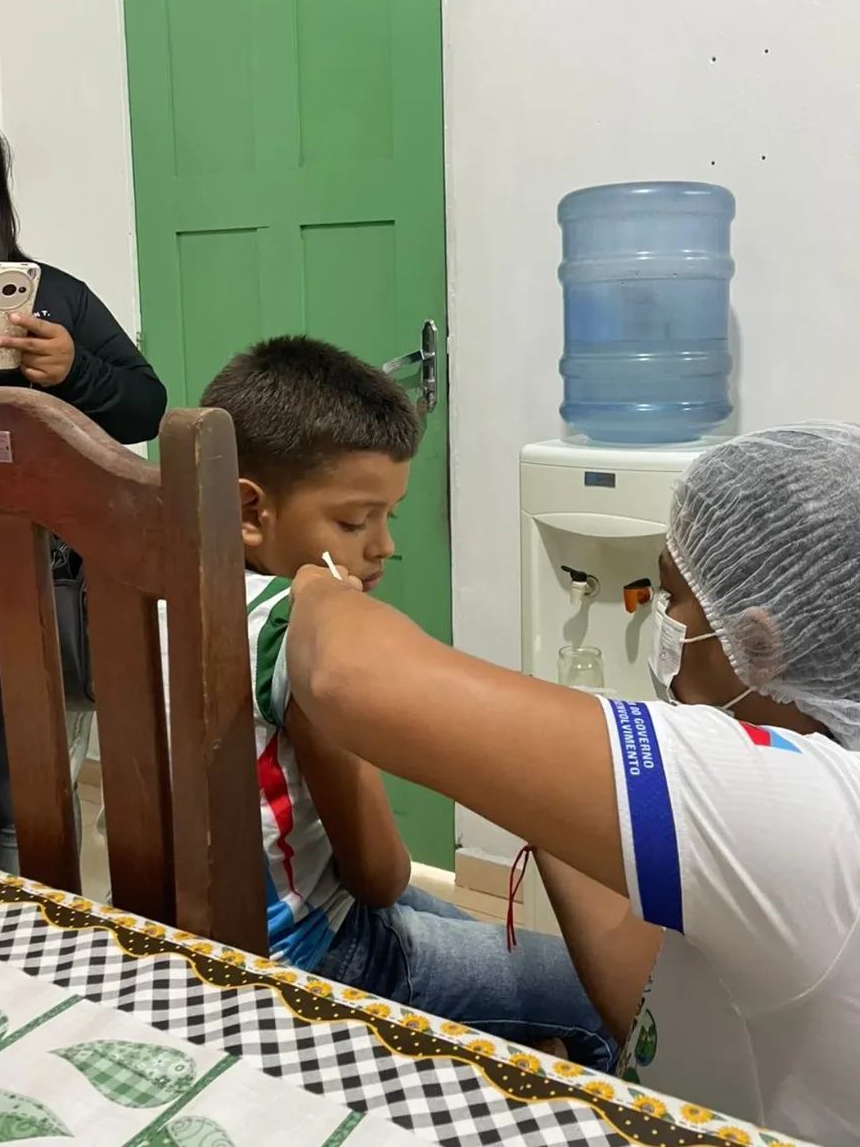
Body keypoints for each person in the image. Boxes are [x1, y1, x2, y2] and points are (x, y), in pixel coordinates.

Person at [283, 424, 860, 1147]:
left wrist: (316, 580)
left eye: (672, 596)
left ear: (760, 643)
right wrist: (538, 791)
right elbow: (654, 1008)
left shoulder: (818, 811)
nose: (662, 620)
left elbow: (347, 675)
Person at [186, 336, 614, 1069]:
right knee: (598, 997)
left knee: (487, 943)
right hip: (313, 952)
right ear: (250, 511)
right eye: (355, 522)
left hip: (227, 911)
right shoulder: (295, 633)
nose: (383, 546)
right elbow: (380, 878)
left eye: (390, 516)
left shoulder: (152, 580)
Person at [0, 91, 167, 874]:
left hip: (35, 601)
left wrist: (73, 370)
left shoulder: (56, 296)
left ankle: (35, 936)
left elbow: (146, 405)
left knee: (31, 816)